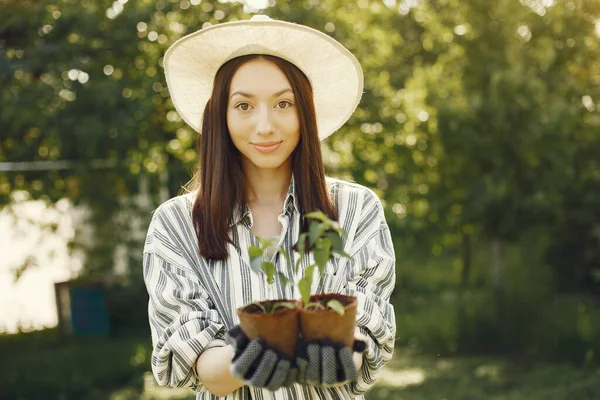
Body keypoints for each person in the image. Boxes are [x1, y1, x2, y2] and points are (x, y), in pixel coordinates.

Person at [142, 15, 396, 400]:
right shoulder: (176, 224)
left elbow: (357, 350)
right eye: (243, 105)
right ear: (220, 116)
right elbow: (205, 367)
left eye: (283, 103)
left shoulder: (356, 209)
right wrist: (289, 344)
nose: (264, 126)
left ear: (305, 112)